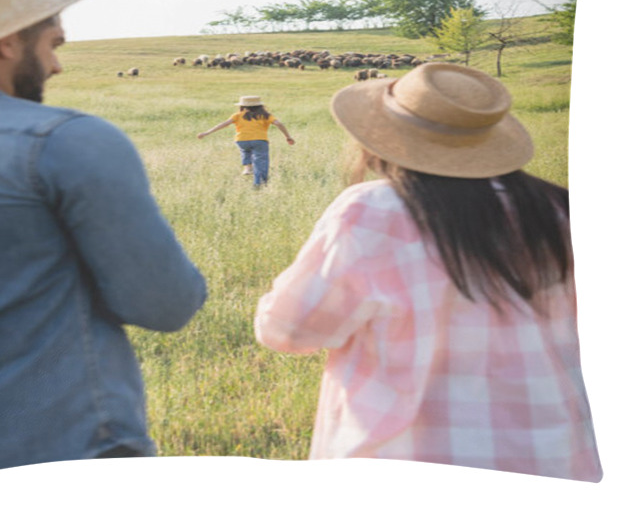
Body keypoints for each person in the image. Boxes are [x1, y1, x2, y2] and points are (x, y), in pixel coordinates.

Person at [254, 63, 602, 481]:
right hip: (556, 458)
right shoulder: (559, 211)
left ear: (383, 138)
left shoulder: (371, 213)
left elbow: (290, 331)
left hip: (407, 460)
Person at [0, 0, 207, 482]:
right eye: (52, 44)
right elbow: (165, 304)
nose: (55, 66)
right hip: (54, 448)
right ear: (7, 43)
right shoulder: (62, 141)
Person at [197, 95, 295, 187]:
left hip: (242, 140)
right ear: (260, 105)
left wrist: (206, 133)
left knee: (245, 150)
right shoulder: (266, 115)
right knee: (261, 161)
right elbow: (279, 123)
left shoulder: (238, 115)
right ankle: (259, 183)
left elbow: (223, 124)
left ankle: (247, 166)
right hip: (259, 140)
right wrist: (288, 137)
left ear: (242, 106)